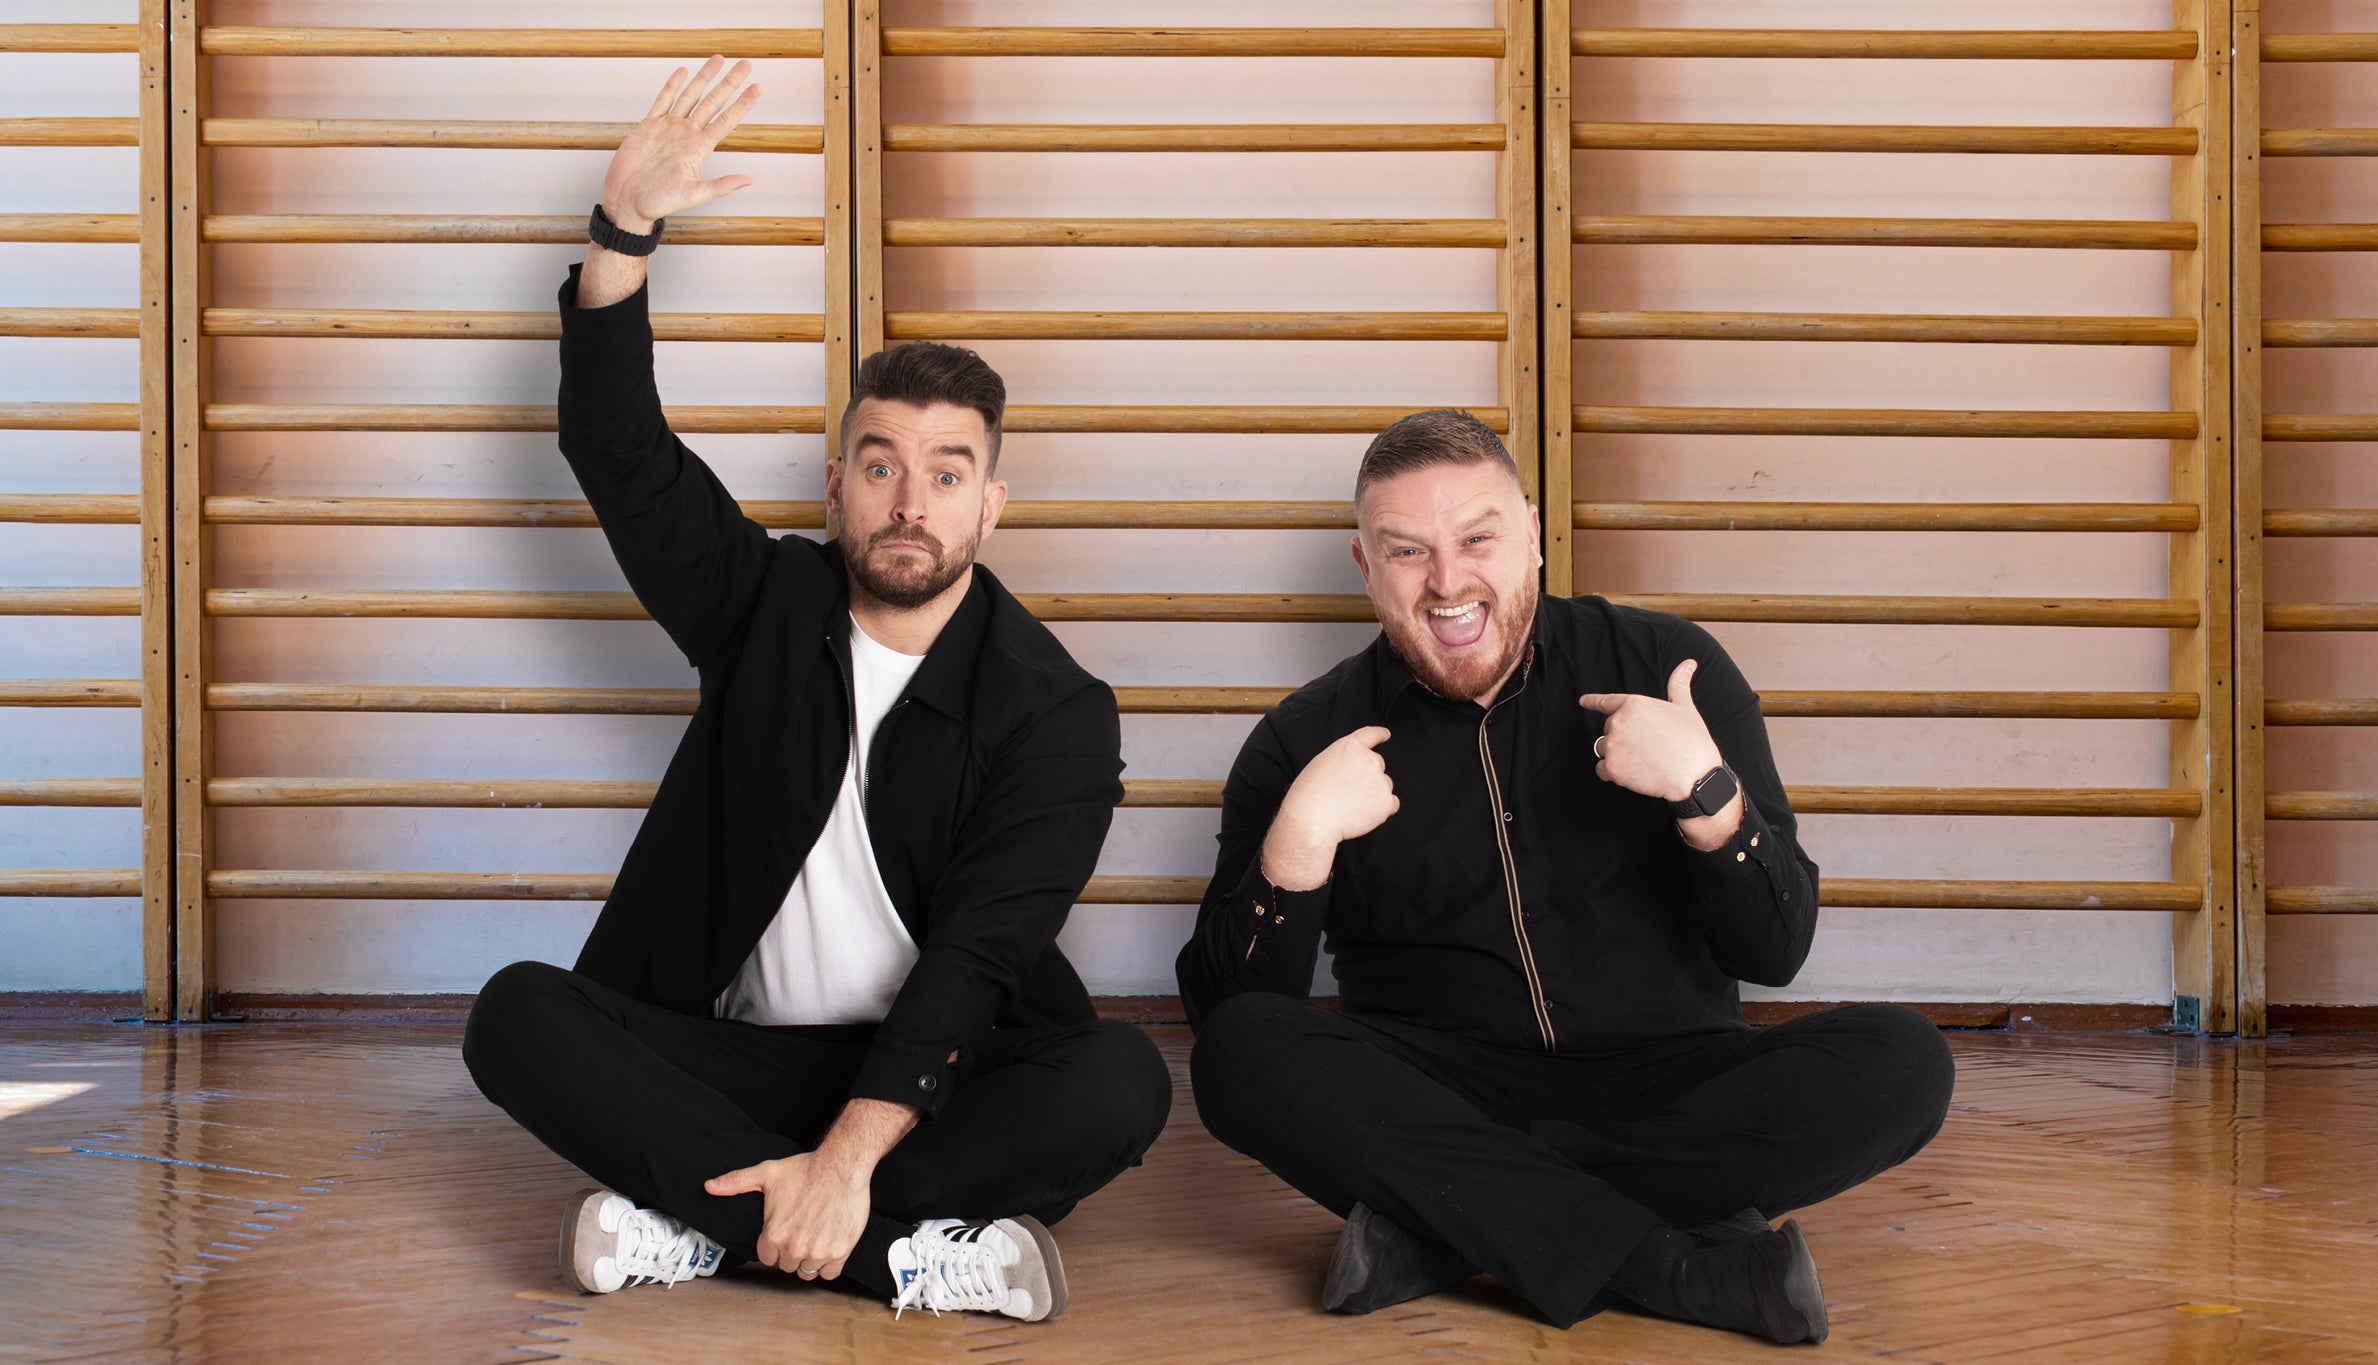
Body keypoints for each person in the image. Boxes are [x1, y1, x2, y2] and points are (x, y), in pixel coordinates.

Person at [462, 58, 1171, 1325]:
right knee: (516, 1015)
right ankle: (906, 1259)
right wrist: (623, 228)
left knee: (1120, 1081)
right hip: (733, 1062)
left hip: (934, 1077)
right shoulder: (760, 602)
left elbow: (978, 958)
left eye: (947, 473)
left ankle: (702, 1225)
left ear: (991, 506)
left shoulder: (1057, 709)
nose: (910, 501)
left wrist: (847, 1158)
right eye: (881, 466)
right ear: (835, 485)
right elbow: (618, 451)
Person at [1176, 410, 1954, 1345]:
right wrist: (1295, 847)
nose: (1448, 581)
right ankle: (1674, 1265)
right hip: (1437, 1093)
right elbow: (1228, 1011)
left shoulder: (1670, 670)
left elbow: (1776, 951)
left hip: (1670, 1082)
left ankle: (1450, 1229)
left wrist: (1708, 798)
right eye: (1408, 551)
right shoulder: (1302, 738)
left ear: (1533, 535)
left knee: (1907, 1061)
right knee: (1240, 1053)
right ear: (1365, 567)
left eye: (1477, 539)